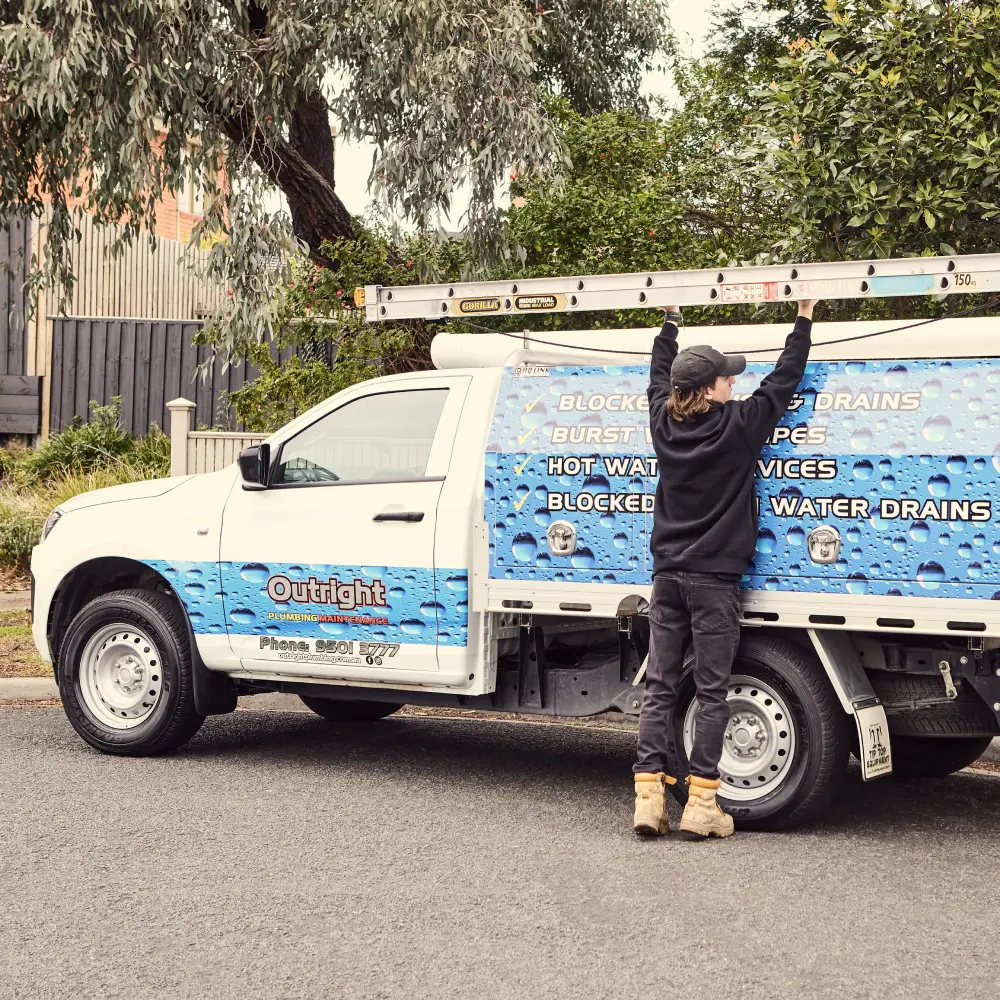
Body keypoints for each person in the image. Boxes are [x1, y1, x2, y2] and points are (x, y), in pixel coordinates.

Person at [632, 298, 818, 839]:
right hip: (715, 582)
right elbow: (785, 380)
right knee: (712, 690)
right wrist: (803, 317)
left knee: (663, 686)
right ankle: (702, 805)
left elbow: (655, 376)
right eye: (726, 380)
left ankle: (648, 800)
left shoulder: (662, 425)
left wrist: (669, 324)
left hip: (666, 577)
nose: (734, 386)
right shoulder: (739, 427)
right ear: (708, 389)